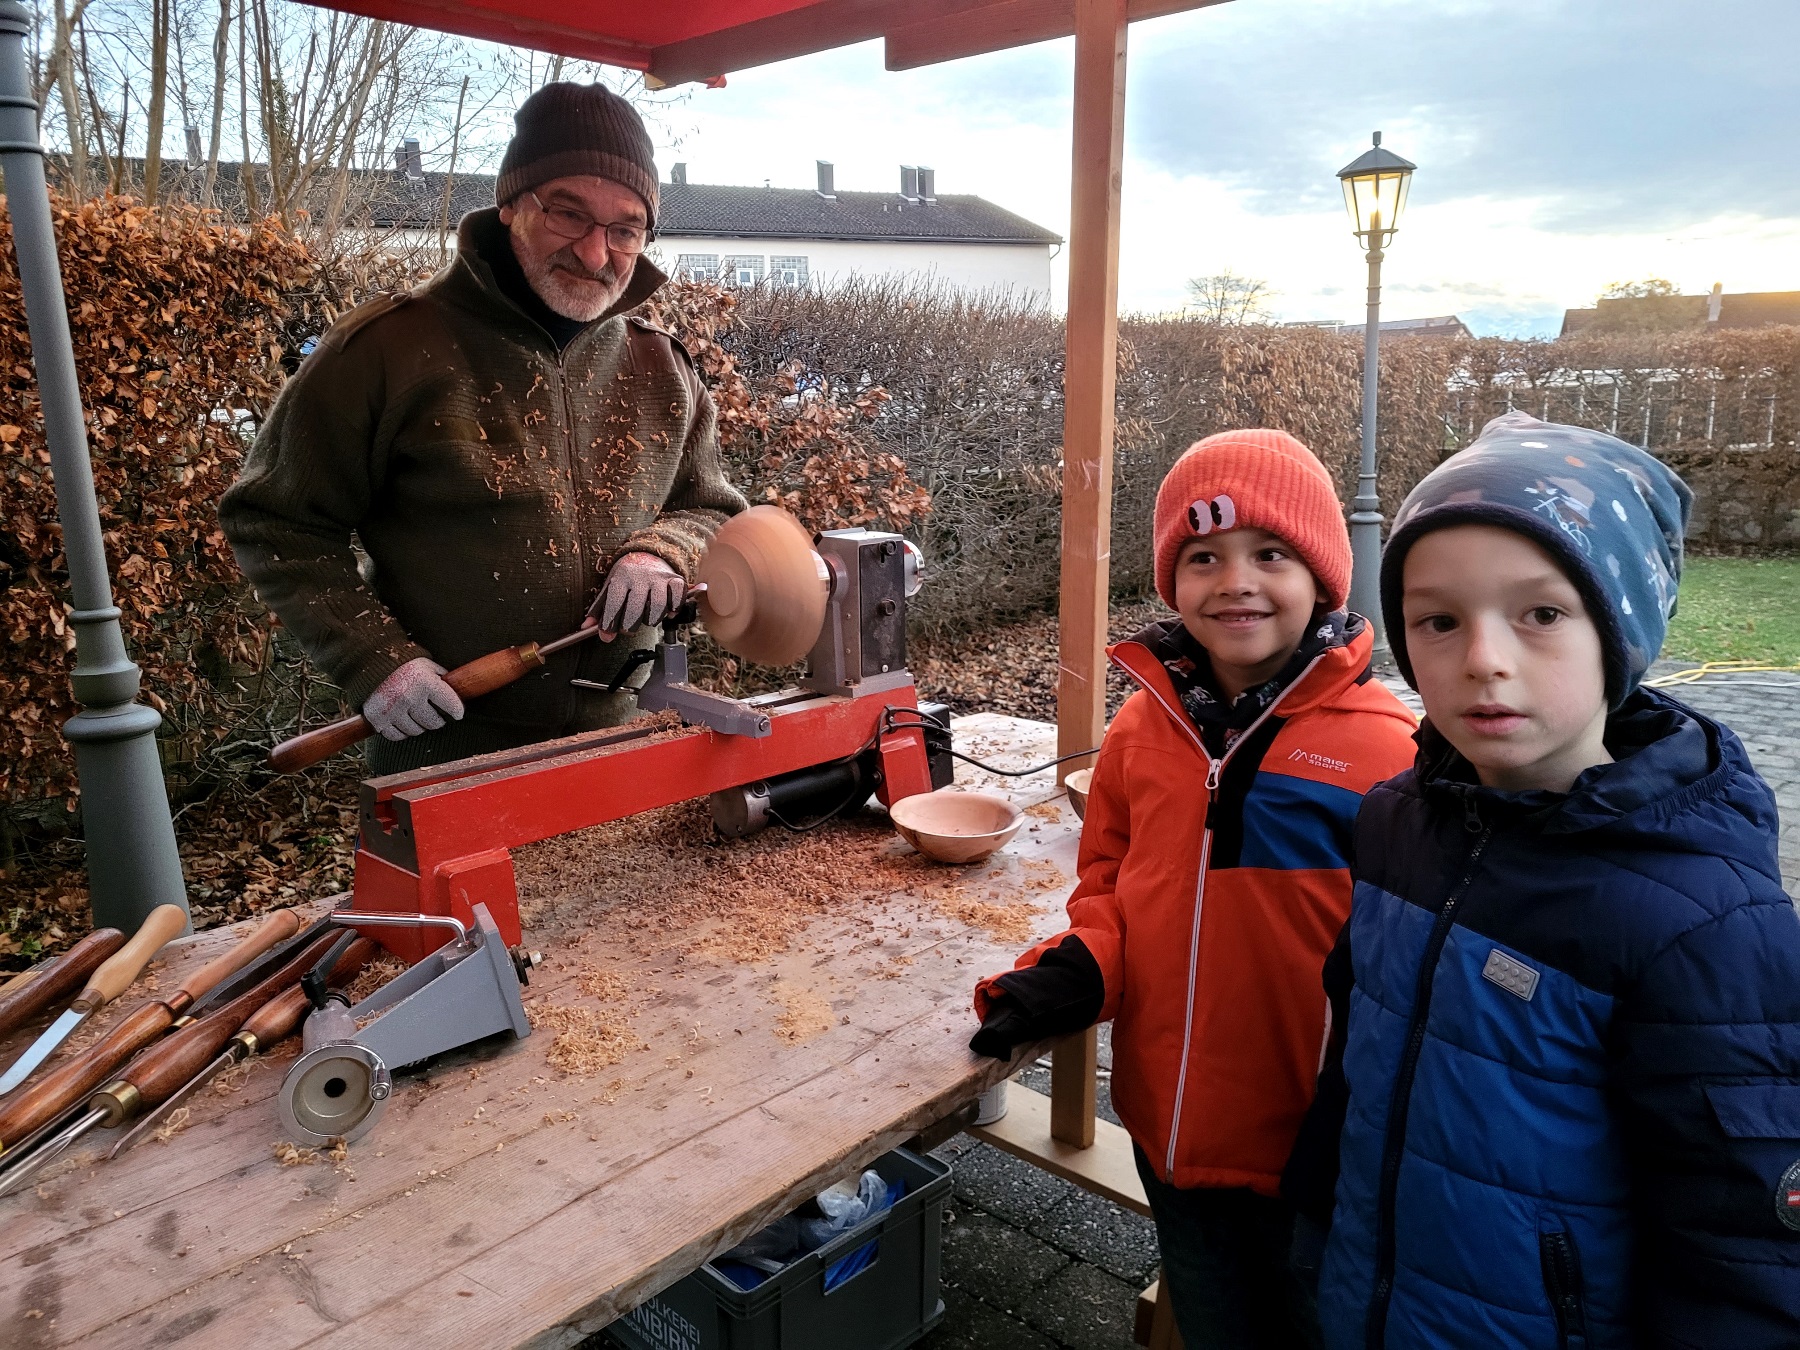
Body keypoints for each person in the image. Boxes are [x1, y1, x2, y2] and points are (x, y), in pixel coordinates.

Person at [1283, 413, 1800, 1349]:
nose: (1484, 658)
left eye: (1542, 614)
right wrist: (1314, 1236)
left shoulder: (1707, 924)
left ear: (1620, 631)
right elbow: (1354, 1060)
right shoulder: (1394, 822)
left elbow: (1740, 1254)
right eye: (1439, 620)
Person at [969, 430, 1419, 1348]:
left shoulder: (1386, 752)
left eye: (1271, 554)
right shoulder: (1142, 728)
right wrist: (1087, 964)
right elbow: (1112, 879)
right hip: (1167, 1134)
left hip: (1313, 1158)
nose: (1235, 582)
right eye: (1203, 557)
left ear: (1324, 576)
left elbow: (1413, 967)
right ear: (1172, 580)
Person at [220, 82, 746, 773]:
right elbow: (275, 521)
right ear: (510, 207)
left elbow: (710, 507)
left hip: (621, 745)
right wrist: (375, 661)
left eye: (625, 229)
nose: (596, 254)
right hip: (446, 759)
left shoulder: (660, 366)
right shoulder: (386, 351)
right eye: (569, 215)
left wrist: (664, 550)